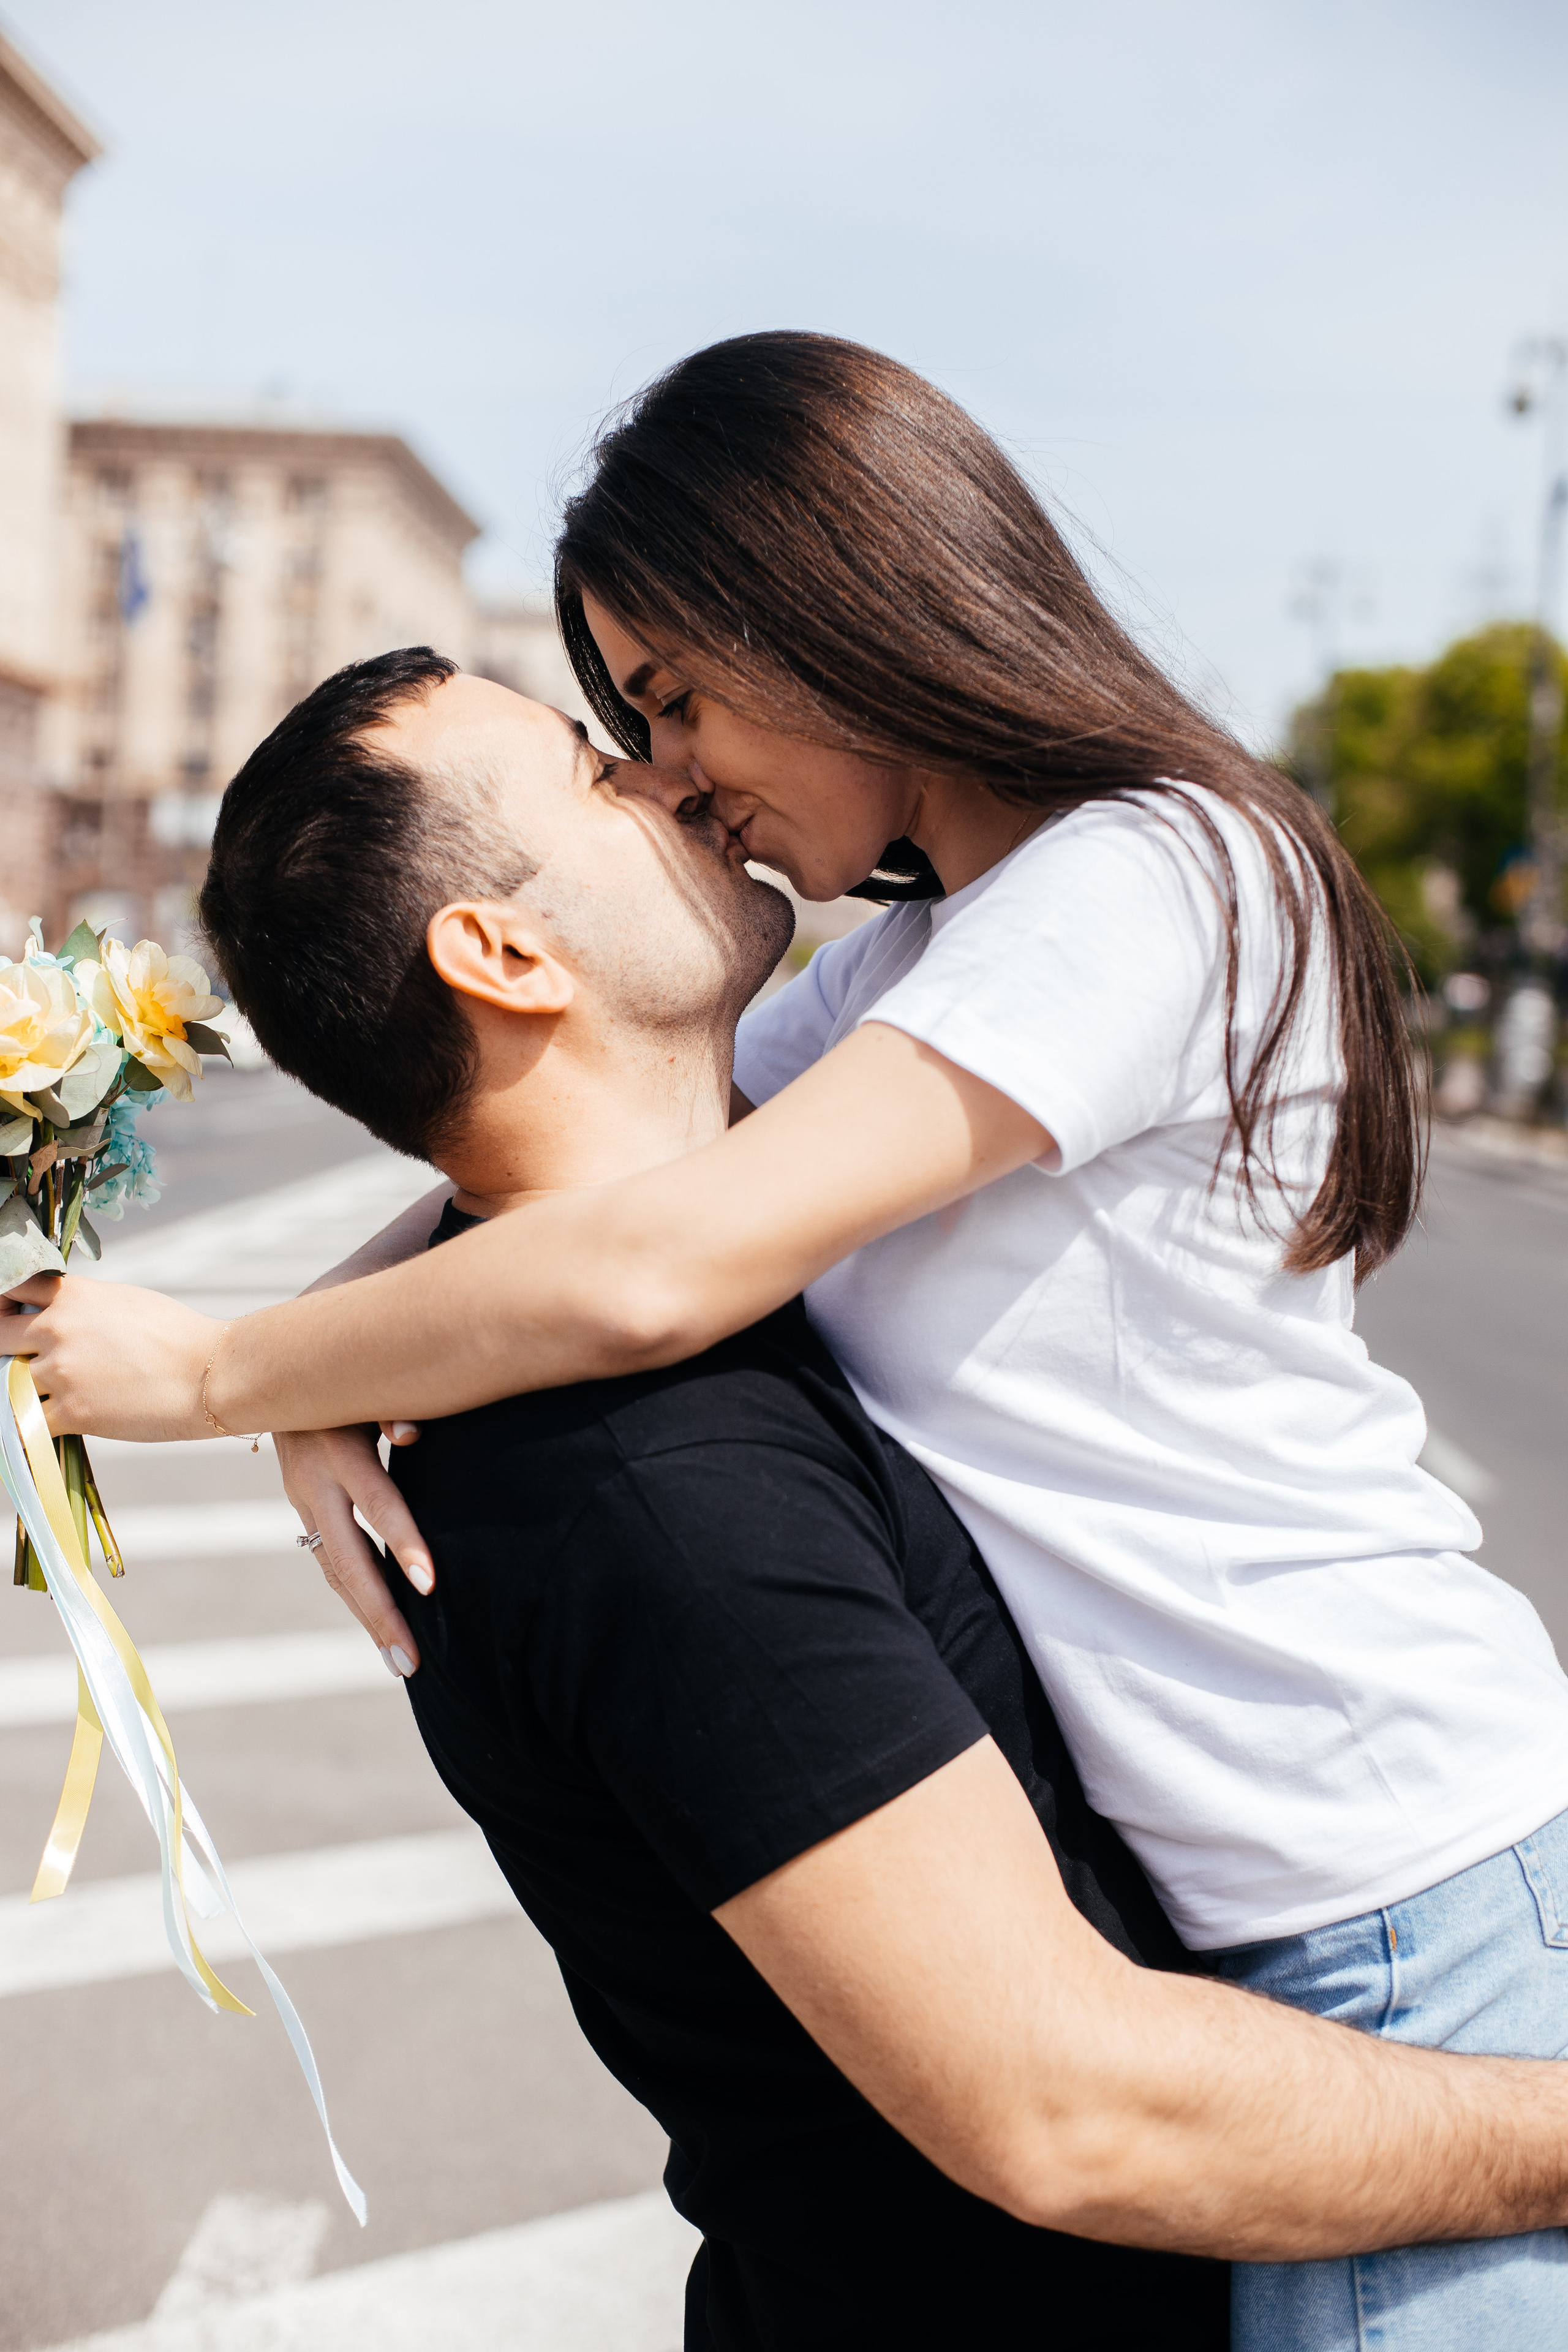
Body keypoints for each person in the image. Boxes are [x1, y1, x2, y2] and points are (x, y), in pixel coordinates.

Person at [17, 336, 1568, 2346]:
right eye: (618, 737)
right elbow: (607, 1175)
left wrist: (233, 1377)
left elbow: (663, 1252)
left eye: (666, 700)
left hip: (1389, 1893)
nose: (671, 773)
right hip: (1258, 1927)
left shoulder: (1147, 882)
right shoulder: (924, 966)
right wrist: (346, 1335)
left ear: (840, 601)